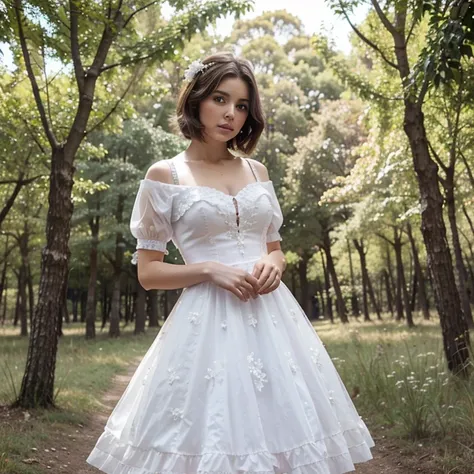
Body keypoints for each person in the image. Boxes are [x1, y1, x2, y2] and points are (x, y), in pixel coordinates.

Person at [86, 52, 375, 474]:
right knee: (214, 434)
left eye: (241, 106)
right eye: (220, 99)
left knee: (286, 434)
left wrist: (276, 263)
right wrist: (208, 270)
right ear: (195, 100)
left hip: (275, 320)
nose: (231, 114)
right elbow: (148, 273)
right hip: (206, 323)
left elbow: (273, 246)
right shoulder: (164, 175)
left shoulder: (257, 172)